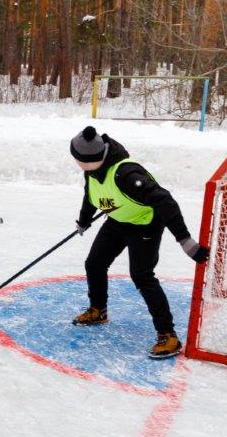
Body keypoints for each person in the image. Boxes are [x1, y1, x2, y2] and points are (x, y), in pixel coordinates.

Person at [70, 125, 210, 358]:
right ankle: (98, 309)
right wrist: (84, 220)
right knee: (94, 263)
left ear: (93, 158)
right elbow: (90, 195)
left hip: (145, 225)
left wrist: (184, 240)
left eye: (78, 158)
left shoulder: (126, 174)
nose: (76, 162)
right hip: (117, 222)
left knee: (142, 276)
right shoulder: (92, 170)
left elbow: (166, 202)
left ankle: (169, 335)